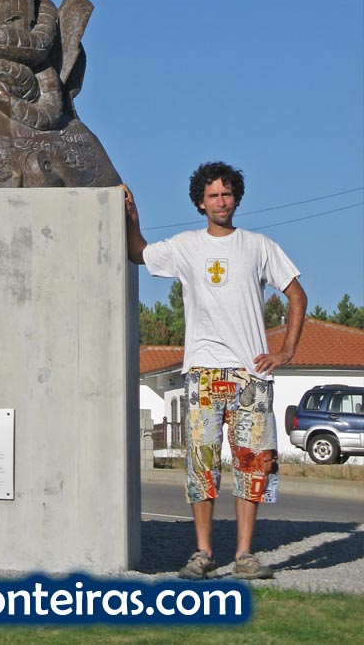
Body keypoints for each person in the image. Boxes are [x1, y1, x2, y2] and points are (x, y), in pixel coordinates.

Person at [124, 161, 307, 580]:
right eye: (213, 196)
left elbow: (297, 294)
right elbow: (139, 254)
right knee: (201, 464)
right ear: (200, 203)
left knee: (253, 463)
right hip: (202, 374)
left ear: (236, 198)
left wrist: (287, 351)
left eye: (226, 194)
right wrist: (134, 218)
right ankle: (203, 552)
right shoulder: (187, 246)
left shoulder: (259, 246)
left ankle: (244, 554)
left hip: (251, 376)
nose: (220, 201)